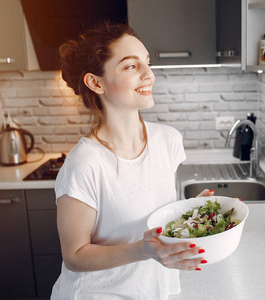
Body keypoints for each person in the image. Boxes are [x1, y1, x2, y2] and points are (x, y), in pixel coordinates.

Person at [51, 21, 214, 299]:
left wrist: (189, 214)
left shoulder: (168, 141)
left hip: (155, 290)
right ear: (96, 82)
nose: (149, 75)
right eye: (131, 66)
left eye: (147, 63)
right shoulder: (85, 163)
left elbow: (149, 217)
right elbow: (75, 256)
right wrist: (142, 250)